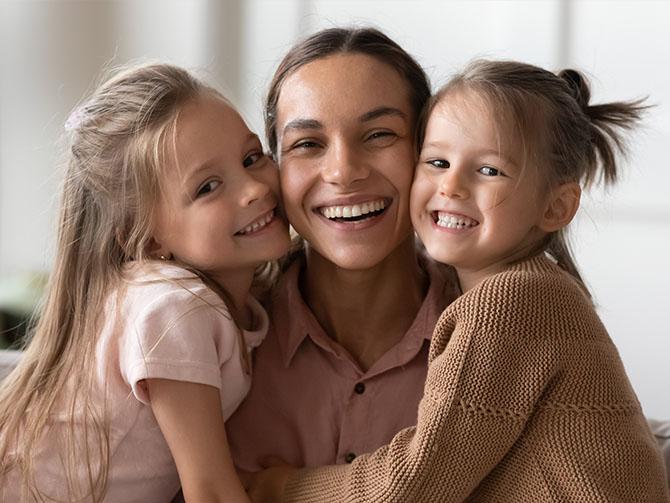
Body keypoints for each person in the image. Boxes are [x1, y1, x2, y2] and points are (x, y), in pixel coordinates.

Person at [247, 61, 670, 501]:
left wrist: (282, 487)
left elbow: (416, 480)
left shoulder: (512, 301)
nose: (451, 186)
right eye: (438, 161)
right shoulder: (532, 291)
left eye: (489, 170)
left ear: (557, 207)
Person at [0, 62, 291, 502]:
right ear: (150, 240)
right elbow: (209, 490)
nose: (252, 188)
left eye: (252, 157)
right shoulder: (175, 309)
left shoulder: (236, 300)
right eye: (208, 187)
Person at [226, 26, 460, 471]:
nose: (343, 172)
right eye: (308, 144)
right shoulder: (218, 331)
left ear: (427, 150)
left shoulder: (503, 335)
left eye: (378, 135)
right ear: (275, 169)